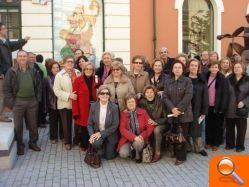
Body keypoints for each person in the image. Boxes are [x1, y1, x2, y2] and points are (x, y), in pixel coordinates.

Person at [3, 50, 41, 155]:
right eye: (20, 56)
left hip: (32, 101)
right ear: (17, 58)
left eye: (24, 56)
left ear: (27, 58)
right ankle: (20, 146)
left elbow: (39, 85)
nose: (23, 58)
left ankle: (33, 143)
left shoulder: (33, 69)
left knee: (33, 124)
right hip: (18, 102)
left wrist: (37, 99)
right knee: (18, 126)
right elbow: (6, 88)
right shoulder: (11, 71)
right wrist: (11, 103)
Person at [163, 60, 193, 165]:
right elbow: (165, 96)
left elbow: (188, 96)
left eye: (179, 67)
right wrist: (172, 109)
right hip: (172, 113)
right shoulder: (168, 81)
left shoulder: (187, 81)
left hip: (184, 114)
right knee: (174, 134)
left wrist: (179, 109)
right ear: (172, 69)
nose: (177, 69)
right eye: (175, 67)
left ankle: (181, 157)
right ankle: (176, 152)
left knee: (182, 136)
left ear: (183, 69)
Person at [0, 22, 30, 122]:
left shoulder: (5, 41)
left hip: (6, 72)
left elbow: (14, 45)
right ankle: (1, 115)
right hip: (2, 74)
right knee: (2, 94)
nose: (6, 30)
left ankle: (2, 114)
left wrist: (24, 40)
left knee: (6, 94)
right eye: (4, 29)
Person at [53, 55, 81, 150]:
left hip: (77, 103)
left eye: (72, 62)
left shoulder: (78, 73)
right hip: (65, 103)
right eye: (68, 61)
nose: (70, 63)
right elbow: (56, 90)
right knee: (66, 124)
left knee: (78, 123)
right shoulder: (59, 75)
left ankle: (77, 139)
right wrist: (69, 95)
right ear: (64, 63)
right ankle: (67, 142)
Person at [87, 85, 119, 166]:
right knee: (96, 143)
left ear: (109, 95)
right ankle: (99, 148)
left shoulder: (114, 107)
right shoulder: (93, 106)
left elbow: (115, 125)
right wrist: (92, 136)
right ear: (98, 95)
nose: (105, 95)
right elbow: (89, 124)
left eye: (107, 93)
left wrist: (101, 134)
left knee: (109, 157)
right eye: (102, 93)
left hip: (110, 134)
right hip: (97, 132)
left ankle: (104, 148)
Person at [117, 94, 154, 163]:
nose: (131, 103)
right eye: (129, 102)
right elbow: (122, 129)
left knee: (138, 144)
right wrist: (133, 137)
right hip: (127, 139)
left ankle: (138, 155)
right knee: (123, 154)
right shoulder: (123, 114)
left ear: (136, 103)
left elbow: (150, 127)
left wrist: (141, 136)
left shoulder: (143, 112)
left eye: (132, 101)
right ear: (126, 104)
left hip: (140, 138)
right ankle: (132, 152)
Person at [72, 62, 99, 151]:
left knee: (94, 125)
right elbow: (74, 98)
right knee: (84, 127)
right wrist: (75, 112)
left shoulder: (97, 79)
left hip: (95, 106)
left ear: (93, 70)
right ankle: (84, 144)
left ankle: (93, 143)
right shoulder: (78, 80)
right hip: (83, 107)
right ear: (83, 70)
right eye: (86, 69)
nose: (88, 70)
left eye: (90, 69)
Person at [203, 61, 229, 151]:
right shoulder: (205, 77)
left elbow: (225, 94)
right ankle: (208, 142)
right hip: (207, 105)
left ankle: (216, 143)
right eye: (212, 67)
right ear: (209, 68)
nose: (214, 69)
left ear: (218, 68)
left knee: (218, 126)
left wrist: (222, 107)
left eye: (216, 67)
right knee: (208, 125)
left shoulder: (222, 78)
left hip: (218, 106)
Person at [185, 59, 209, 156]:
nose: (193, 67)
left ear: (198, 68)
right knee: (186, 127)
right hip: (186, 107)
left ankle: (199, 148)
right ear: (188, 66)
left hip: (197, 108)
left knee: (197, 128)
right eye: (192, 65)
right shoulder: (184, 78)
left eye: (195, 65)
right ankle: (187, 147)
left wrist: (204, 111)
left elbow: (205, 96)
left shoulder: (202, 80)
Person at [139, 85, 168, 162]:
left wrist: (156, 122)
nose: (149, 94)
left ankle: (157, 153)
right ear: (144, 94)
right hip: (148, 124)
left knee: (156, 130)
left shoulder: (160, 102)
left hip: (161, 124)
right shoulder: (142, 102)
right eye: (147, 92)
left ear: (154, 93)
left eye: (151, 92)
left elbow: (166, 118)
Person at [226, 63, 249, 152]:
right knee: (229, 128)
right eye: (235, 67)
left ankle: (240, 146)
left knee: (241, 128)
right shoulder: (228, 79)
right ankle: (230, 144)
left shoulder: (247, 79)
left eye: (238, 67)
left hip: (242, 108)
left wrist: (244, 102)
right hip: (230, 107)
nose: (236, 69)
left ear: (243, 69)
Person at [43, 61, 63, 144]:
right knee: (53, 122)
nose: (55, 69)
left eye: (57, 67)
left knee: (62, 121)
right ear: (50, 69)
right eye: (53, 68)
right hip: (52, 103)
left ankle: (62, 136)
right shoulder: (47, 78)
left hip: (62, 102)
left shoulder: (63, 77)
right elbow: (44, 93)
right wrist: (45, 106)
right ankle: (53, 137)